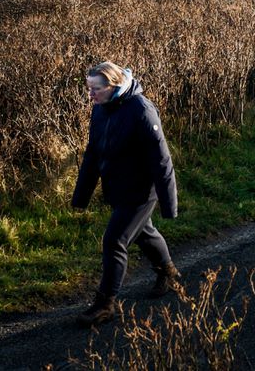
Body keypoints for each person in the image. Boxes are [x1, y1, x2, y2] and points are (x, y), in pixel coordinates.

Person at [71, 61, 181, 326]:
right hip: (117, 187)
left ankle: (105, 304)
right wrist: (81, 195)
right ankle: (169, 273)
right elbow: (93, 153)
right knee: (144, 233)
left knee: (114, 241)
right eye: (89, 89)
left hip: (142, 191)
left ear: (114, 85)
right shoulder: (100, 111)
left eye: (96, 89)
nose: (91, 95)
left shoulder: (141, 110)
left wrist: (169, 204)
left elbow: (162, 160)